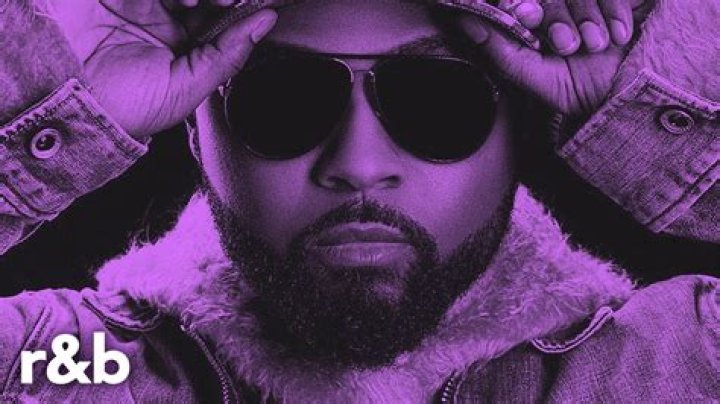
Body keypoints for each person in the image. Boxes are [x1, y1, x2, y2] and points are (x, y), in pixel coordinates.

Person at [0, 0, 717, 402]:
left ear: (521, 128)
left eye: (438, 101)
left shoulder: (678, 363)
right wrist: (52, 96)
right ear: (194, 129)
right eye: (280, 99)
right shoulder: (58, 365)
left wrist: (663, 92)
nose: (358, 165)